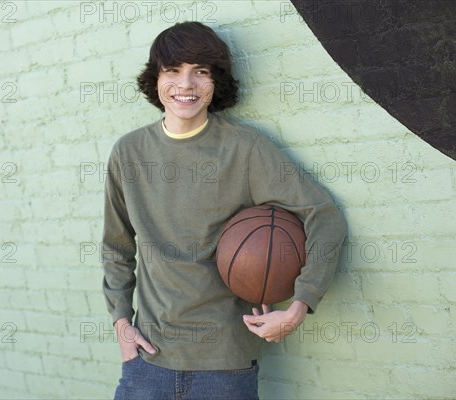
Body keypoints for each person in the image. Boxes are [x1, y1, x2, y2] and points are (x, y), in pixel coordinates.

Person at [102, 21, 346, 400]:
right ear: (156, 78)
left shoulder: (245, 149)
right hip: (147, 362)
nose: (186, 85)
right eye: (173, 71)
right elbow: (116, 247)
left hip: (225, 367)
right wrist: (121, 322)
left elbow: (323, 216)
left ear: (216, 81)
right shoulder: (128, 153)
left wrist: (300, 306)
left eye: (200, 72)